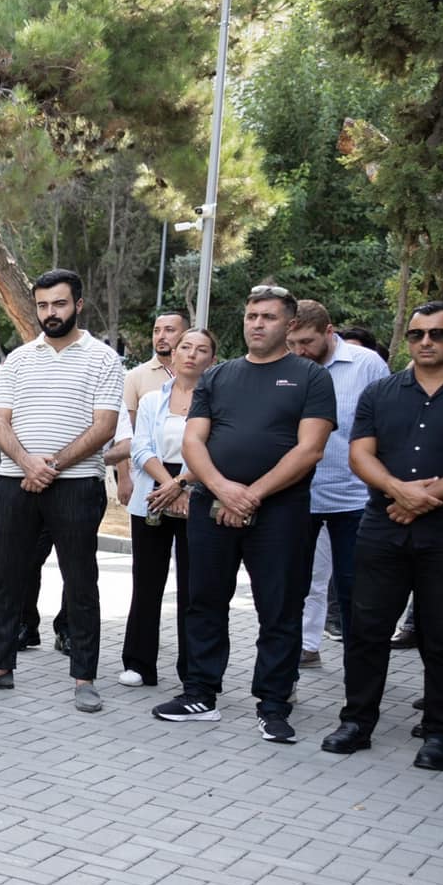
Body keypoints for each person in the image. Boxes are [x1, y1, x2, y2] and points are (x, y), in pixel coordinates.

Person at [154, 285, 335, 740]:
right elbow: (193, 441)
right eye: (252, 315)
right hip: (211, 506)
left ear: (289, 324)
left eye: (269, 317)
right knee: (204, 601)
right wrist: (221, 490)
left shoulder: (311, 378)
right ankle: (199, 692)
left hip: (281, 512)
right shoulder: (219, 376)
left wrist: (251, 494)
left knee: (278, 606)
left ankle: (273, 704)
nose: (257, 323)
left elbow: (310, 448)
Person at [0, 270, 124, 711]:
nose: (51, 313)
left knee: (81, 581)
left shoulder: (104, 359)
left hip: (77, 486)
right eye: (44, 305)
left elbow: (104, 426)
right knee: (8, 578)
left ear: (79, 305)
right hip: (16, 484)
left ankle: (84, 678)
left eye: (60, 304)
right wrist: (30, 465)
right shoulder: (17, 359)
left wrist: (50, 465)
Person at [322, 302, 443, 766]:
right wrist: (399, 491)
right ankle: (357, 722)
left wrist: (426, 496)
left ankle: (441, 733)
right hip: (383, 528)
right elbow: (360, 454)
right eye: (417, 333)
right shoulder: (381, 391)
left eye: (438, 334)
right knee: (366, 631)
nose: (425, 342)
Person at [287, 299, 390, 667]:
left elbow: (386, 425)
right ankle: (296, 662)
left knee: (354, 591)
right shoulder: (291, 368)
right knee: (296, 586)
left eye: (307, 343)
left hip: (355, 498)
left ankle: (358, 676)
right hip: (301, 496)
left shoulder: (367, 365)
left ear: (329, 333)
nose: (300, 351)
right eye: (293, 343)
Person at [118, 327, 217, 689]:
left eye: (201, 349)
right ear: (173, 356)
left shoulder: (217, 400)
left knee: (195, 585)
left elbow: (216, 448)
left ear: (212, 359)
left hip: (198, 487)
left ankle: (193, 669)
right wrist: (167, 485)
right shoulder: (151, 400)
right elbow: (141, 448)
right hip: (154, 490)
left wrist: (183, 484)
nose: (191, 354)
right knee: (146, 582)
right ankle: (139, 663)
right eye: (184, 347)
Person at [119, 309, 189, 506]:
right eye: (156, 331)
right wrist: (124, 478)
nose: (161, 336)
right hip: (146, 475)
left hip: (190, 478)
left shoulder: (203, 379)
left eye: (169, 330)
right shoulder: (135, 376)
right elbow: (125, 433)